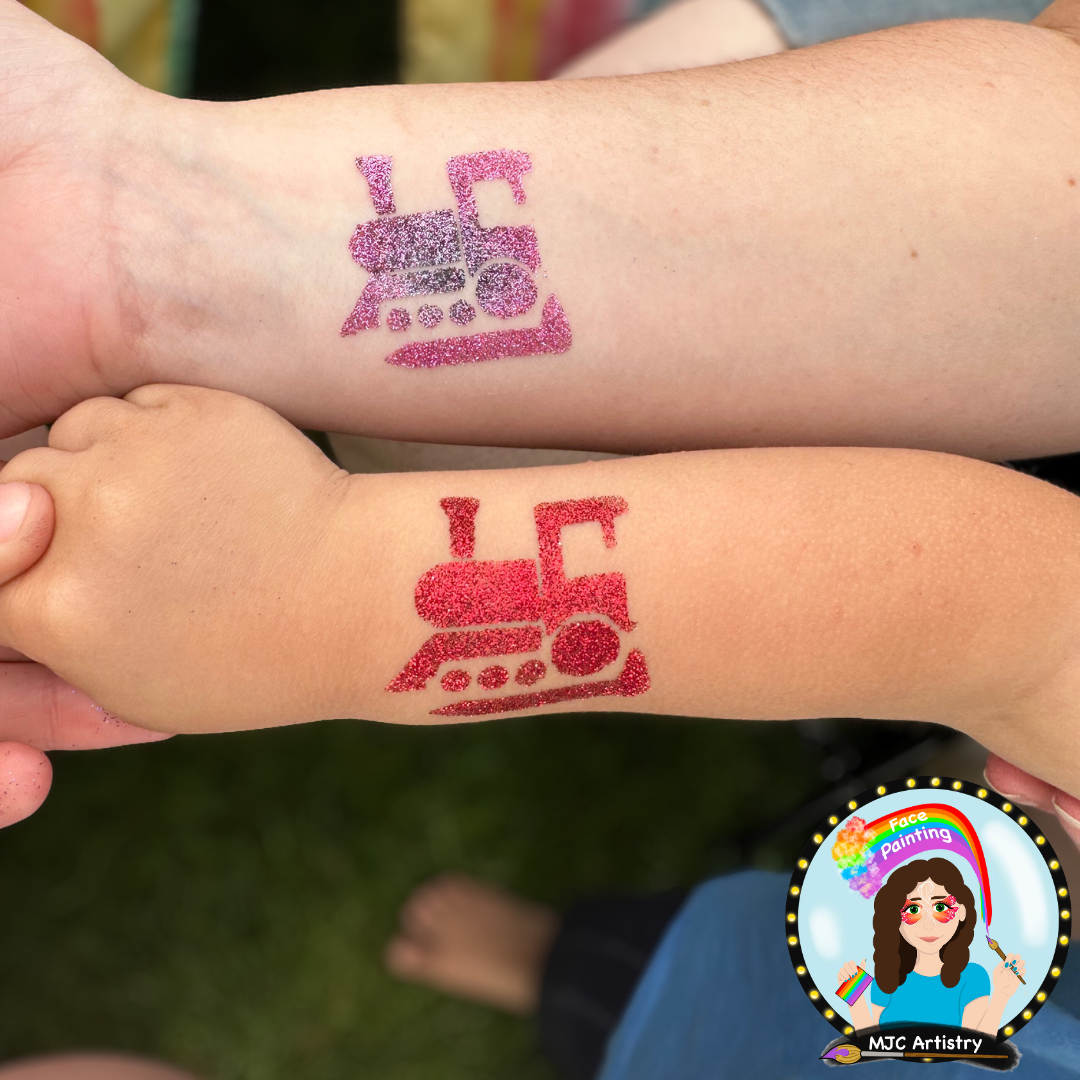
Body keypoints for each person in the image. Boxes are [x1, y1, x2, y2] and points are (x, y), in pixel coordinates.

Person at [838, 858, 1023, 1033]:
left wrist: (1002, 995)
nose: (928, 924)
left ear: (962, 912)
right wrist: (854, 996)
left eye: (940, 907)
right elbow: (873, 1045)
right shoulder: (887, 977)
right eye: (913, 909)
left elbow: (975, 1047)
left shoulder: (974, 978)